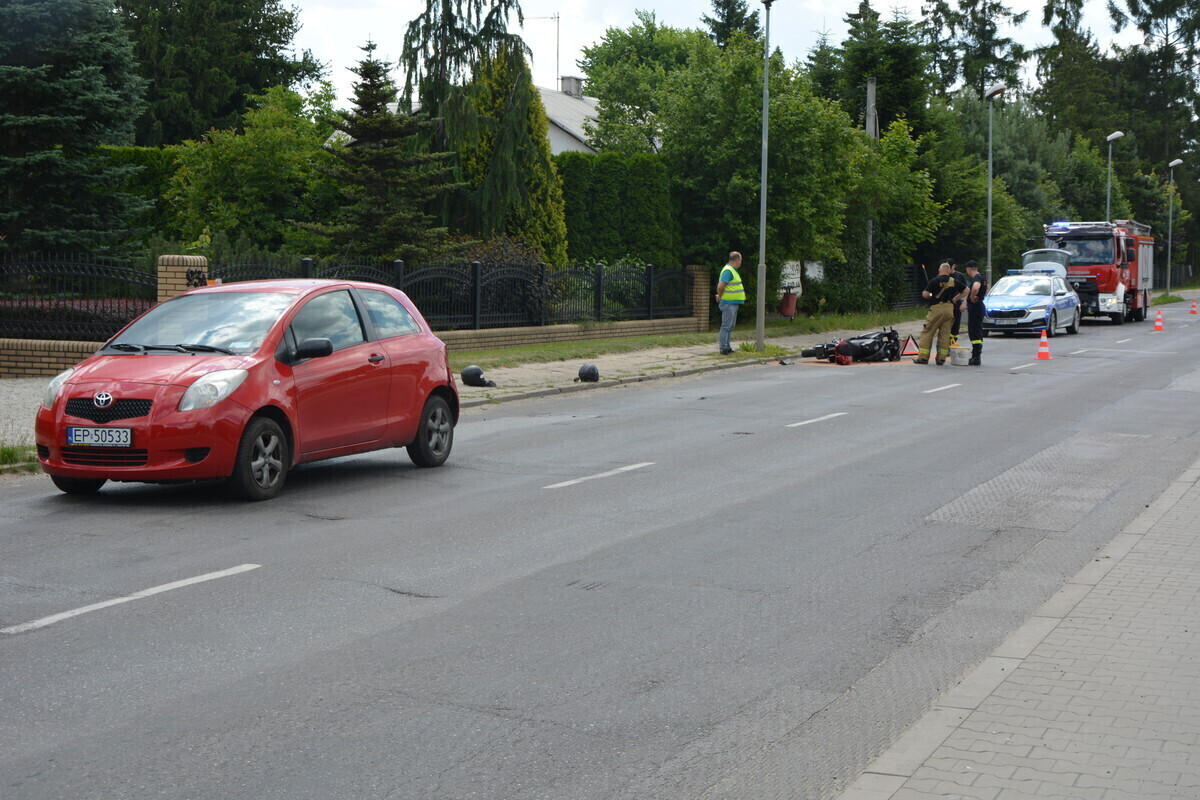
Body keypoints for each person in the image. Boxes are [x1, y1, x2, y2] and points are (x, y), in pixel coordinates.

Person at [914, 262, 967, 365]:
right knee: (945, 334)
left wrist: (931, 295)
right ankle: (941, 358)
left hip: (937, 309)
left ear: (940, 270)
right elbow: (967, 290)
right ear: (948, 271)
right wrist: (957, 298)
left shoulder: (934, 281)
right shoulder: (954, 281)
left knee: (927, 332)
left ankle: (923, 358)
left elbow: (925, 294)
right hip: (949, 309)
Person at [714, 251, 745, 355]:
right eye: (740, 259)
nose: (741, 262)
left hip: (732, 303)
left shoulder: (732, 270)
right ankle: (723, 348)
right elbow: (720, 286)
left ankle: (727, 347)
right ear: (736, 260)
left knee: (730, 326)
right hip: (728, 303)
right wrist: (720, 296)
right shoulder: (728, 271)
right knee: (726, 326)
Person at [963, 260, 988, 365]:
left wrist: (973, 297)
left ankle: (976, 357)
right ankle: (976, 355)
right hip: (980, 305)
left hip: (975, 306)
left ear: (969, 269)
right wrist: (981, 296)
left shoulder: (976, 278)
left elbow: (976, 287)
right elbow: (987, 288)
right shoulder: (983, 277)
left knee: (974, 331)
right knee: (977, 330)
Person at [946, 257, 966, 344]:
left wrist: (964, 303)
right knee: (945, 325)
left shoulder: (960, 276)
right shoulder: (943, 276)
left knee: (955, 325)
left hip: (956, 303)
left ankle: (953, 344)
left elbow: (966, 290)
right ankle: (945, 345)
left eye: (949, 267)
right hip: (945, 304)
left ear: (954, 266)